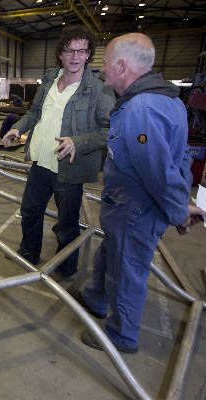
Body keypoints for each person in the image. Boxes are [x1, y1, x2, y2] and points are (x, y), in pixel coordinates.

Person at [74, 33, 206, 353]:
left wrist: (178, 212)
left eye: (105, 64)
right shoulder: (168, 100)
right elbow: (181, 157)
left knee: (126, 270)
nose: (102, 71)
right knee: (111, 252)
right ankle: (95, 296)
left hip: (135, 209)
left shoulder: (142, 109)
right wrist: (181, 203)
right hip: (127, 208)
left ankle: (122, 334)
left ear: (122, 65)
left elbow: (159, 172)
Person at [2, 26, 115, 280]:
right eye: (69, 50)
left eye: (82, 51)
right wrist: (17, 129)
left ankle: (65, 268)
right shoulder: (49, 80)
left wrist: (79, 142)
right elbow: (34, 113)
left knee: (66, 225)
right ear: (60, 54)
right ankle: (28, 253)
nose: (75, 57)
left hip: (69, 168)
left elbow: (111, 130)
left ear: (88, 55)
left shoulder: (98, 89)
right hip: (41, 162)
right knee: (30, 211)